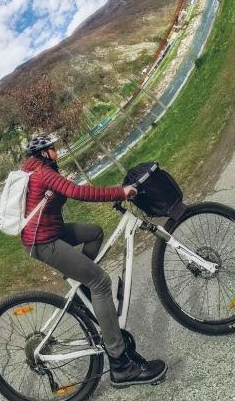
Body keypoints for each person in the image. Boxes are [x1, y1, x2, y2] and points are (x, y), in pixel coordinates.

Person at [21, 134, 166, 387]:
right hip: (43, 242)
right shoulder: (43, 173)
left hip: (51, 231)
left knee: (94, 233)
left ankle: (81, 289)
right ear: (43, 153)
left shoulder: (34, 169)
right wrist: (121, 192)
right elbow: (78, 192)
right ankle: (120, 365)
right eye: (52, 149)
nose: (56, 152)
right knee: (100, 282)